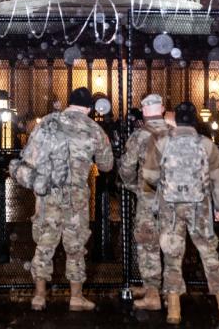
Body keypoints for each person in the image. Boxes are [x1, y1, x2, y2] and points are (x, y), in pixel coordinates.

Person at [143, 102, 219, 324]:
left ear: (175, 120)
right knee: (209, 254)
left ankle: (174, 309)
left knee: (172, 257)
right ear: (194, 120)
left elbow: (149, 175)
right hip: (199, 207)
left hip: (170, 209)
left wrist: (165, 186)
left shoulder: (163, 143)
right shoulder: (207, 145)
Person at [26, 87, 114, 311]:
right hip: (76, 195)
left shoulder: (47, 123)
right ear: (88, 108)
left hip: (49, 193)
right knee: (75, 245)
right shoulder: (93, 128)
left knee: (45, 242)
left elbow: (30, 158)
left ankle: (39, 296)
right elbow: (107, 165)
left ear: (69, 103)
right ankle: (76, 297)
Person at [118, 94, 170, 311]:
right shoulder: (175, 132)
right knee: (171, 245)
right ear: (163, 109)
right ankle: (170, 292)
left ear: (143, 112)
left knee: (148, 244)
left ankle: (152, 293)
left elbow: (127, 168)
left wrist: (132, 185)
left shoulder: (140, 136)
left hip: (149, 197)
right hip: (174, 199)